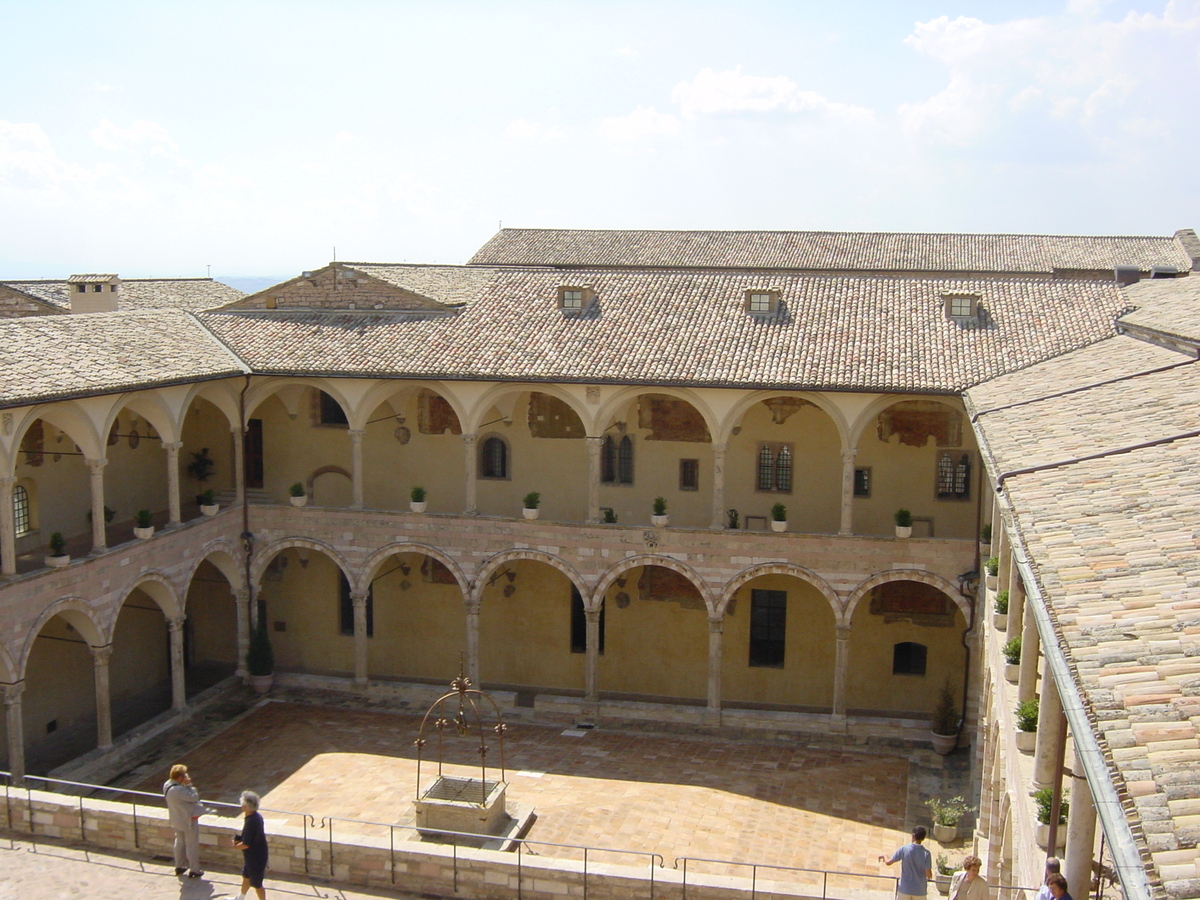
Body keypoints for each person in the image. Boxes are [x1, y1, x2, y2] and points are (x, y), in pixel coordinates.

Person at [162, 763, 206, 878]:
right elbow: (195, 797)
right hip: (187, 820)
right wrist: (189, 785)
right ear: (180, 777)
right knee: (191, 845)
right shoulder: (179, 789)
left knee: (179, 842)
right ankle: (195, 869)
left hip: (176, 819)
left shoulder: (167, 785)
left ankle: (179, 866)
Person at [231, 790, 269, 900]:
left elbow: (246, 844)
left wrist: (234, 846)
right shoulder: (256, 817)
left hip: (255, 858)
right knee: (246, 876)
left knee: (257, 884)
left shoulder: (252, 821)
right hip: (255, 855)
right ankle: (240, 898)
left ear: (246, 807)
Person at [879, 825, 934, 899]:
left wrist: (885, 856)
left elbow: (888, 862)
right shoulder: (926, 853)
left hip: (904, 889)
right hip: (919, 890)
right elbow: (928, 874)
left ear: (913, 836)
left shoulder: (904, 849)